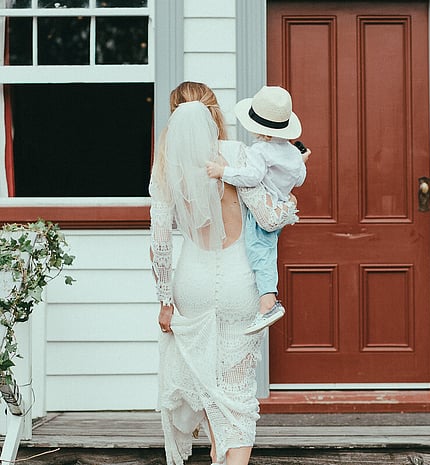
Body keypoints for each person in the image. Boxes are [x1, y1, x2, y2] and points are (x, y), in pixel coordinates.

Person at [149, 81, 298, 465]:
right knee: (237, 392)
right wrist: (290, 203)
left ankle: (219, 454)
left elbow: (160, 243)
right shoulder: (235, 154)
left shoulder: (165, 165)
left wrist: (165, 301)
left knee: (210, 386)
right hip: (239, 281)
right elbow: (267, 216)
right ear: (215, 112)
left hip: (191, 282)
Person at [206, 86, 310, 335]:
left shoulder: (260, 151)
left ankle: (268, 302)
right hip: (280, 210)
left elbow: (251, 177)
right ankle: (267, 297)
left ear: (259, 129)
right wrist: (298, 163)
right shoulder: (292, 153)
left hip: (261, 211)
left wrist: (223, 172)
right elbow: (300, 179)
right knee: (267, 250)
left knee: (258, 252)